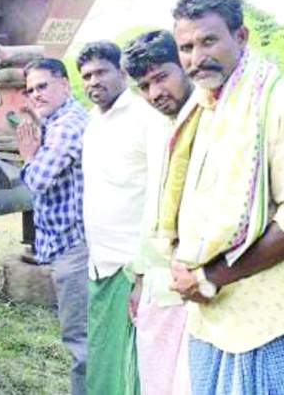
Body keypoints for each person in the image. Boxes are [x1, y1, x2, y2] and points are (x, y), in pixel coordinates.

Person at [158, 0, 284, 395]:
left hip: (266, 316)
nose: (196, 58)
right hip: (209, 316)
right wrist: (188, 266)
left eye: (208, 41)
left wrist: (211, 277)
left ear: (241, 36)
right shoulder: (202, 108)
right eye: (186, 48)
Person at [77, 41, 158, 395]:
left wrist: (143, 271)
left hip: (131, 265)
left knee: (131, 368)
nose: (93, 81)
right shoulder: (94, 119)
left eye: (101, 72)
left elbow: (157, 196)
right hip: (100, 264)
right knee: (104, 363)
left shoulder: (145, 117)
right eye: (86, 76)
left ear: (122, 72)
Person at [121, 29, 197, 395]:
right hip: (156, 283)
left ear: (185, 65)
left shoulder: (212, 120)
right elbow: (152, 207)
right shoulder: (156, 126)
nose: (154, 93)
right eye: (144, 86)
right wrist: (139, 279)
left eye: (161, 77)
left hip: (195, 285)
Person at [16, 57, 90, 395]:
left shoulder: (67, 127)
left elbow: (38, 180)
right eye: (30, 90)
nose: (36, 95)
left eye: (43, 86)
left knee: (81, 341)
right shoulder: (58, 121)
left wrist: (29, 156)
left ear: (65, 83)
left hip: (75, 248)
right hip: (71, 246)